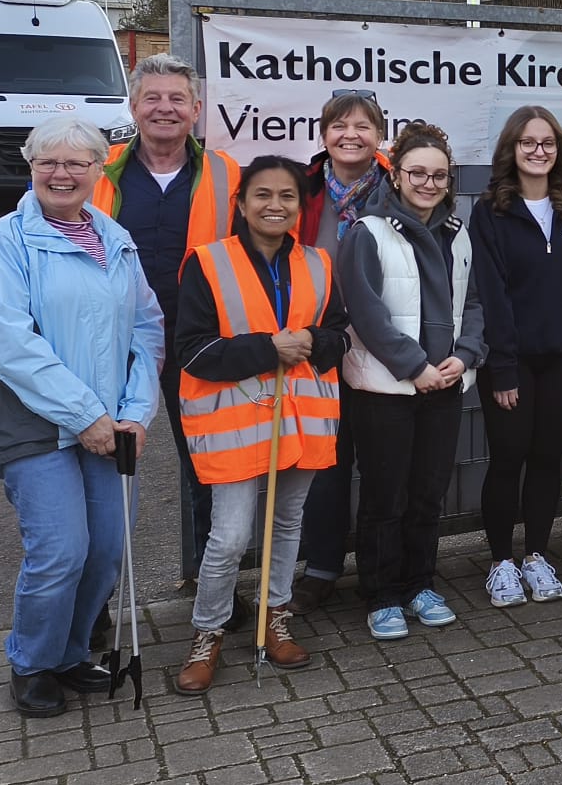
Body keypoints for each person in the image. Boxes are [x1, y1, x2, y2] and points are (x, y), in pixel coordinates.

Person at [0, 117, 163, 718]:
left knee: (105, 548)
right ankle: (32, 661)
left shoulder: (115, 239)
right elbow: (8, 343)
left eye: (77, 163)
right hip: (35, 426)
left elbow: (146, 331)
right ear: (31, 167)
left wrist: (133, 414)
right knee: (61, 549)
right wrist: (86, 416)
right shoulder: (3, 242)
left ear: (100, 171)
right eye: (48, 162)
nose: (62, 174)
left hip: (107, 427)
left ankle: (73, 652)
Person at [172, 157, 350, 694]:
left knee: (288, 522)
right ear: (242, 204)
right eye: (263, 195)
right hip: (235, 421)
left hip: (301, 420)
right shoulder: (207, 262)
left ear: (300, 205)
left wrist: (312, 343)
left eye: (287, 197)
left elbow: (339, 334)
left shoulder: (319, 262)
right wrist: (269, 347)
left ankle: (275, 619)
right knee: (229, 537)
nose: (275, 206)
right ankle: (209, 633)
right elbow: (192, 350)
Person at [88, 54, 238, 587]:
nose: (164, 108)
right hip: (110, 346)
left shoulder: (227, 174)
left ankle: (209, 587)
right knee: (100, 471)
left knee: (205, 468)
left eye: (177, 99)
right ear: (133, 106)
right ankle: (95, 607)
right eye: (152, 97)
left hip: (196, 345)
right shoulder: (96, 168)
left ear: (196, 110)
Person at [337, 123, 487, 641]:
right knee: (385, 497)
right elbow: (364, 313)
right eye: (417, 173)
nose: (428, 182)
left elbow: (472, 304)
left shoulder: (457, 233)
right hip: (386, 391)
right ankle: (380, 594)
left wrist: (464, 358)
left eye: (439, 175)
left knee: (428, 493)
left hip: (444, 387)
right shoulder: (367, 232)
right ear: (396, 175)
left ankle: (419, 583)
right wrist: (415, 367)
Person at [470, 106, 562, 610]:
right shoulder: (490, 212)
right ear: (512, 149)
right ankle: (502, 562)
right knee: (508, 459)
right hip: (512, 363)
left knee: (549, 459)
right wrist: (502, 365)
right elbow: (492, 293)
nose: (538, 151)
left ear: (559, 150)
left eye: (547, 142)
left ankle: (537, 556)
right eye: (528, 142)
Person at [290, 90, 390, 613]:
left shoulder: (398, 188)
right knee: (325, 463)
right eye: (339, 126)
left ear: (380, 135)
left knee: (380, 461)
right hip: (319, 346)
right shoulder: (301, 188)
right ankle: (323, 567)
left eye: (363, 126)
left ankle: (379, 568)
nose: (351, 135)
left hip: (384, 345)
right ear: (324, 133)